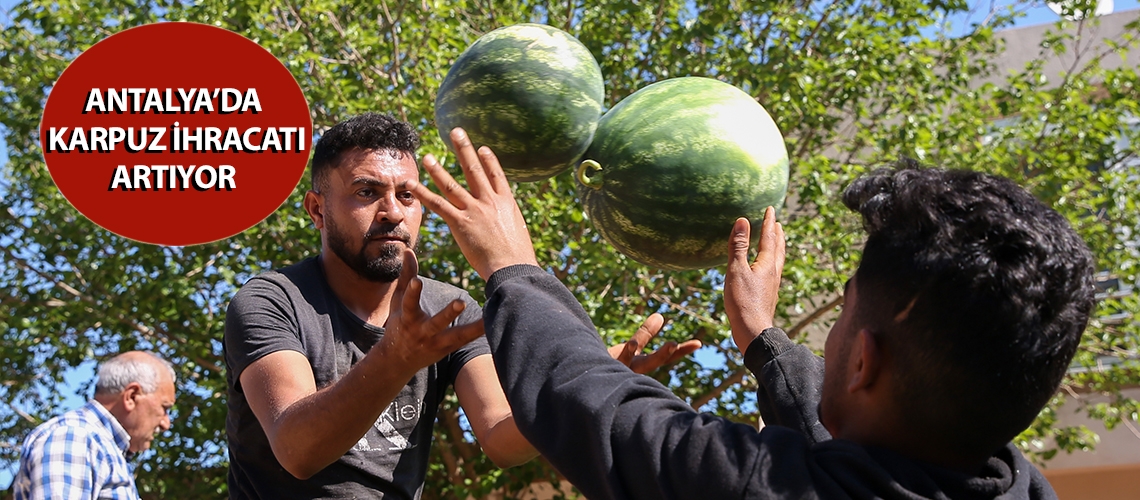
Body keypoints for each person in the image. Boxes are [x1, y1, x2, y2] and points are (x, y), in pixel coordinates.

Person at [410, 130, 1096, 499]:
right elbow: (850, 460)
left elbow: (592, 405)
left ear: (863, 361)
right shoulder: (1021, 487)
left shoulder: (752, 487)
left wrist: (511, 268)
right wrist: (763, 339)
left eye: (844, 312)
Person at [223, 113, 698, 499]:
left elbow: (500, 437)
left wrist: (581, 394)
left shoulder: (450, 306)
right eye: (367, 192)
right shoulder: (271, 299)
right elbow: (297, 449)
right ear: (317, 209)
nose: (392, 212)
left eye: (407, 196)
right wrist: (396, 358)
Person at [13, 351, 177, 500]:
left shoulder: (102, 448)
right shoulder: (75, 436)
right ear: (131, 396)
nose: (165, 423)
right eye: (164, 408)